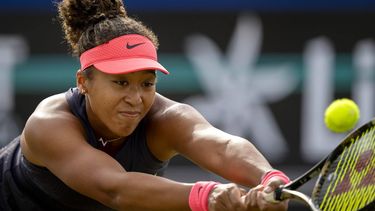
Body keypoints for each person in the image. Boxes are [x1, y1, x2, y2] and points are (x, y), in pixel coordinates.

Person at [0, 0, 290, 210]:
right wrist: (209, 196)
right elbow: (114, 189)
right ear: (84, 82)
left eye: (147, 83)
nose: (136, 98)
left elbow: (222, 146)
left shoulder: (166, 118)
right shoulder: (48, 124)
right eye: (121, 83)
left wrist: (269, 178)